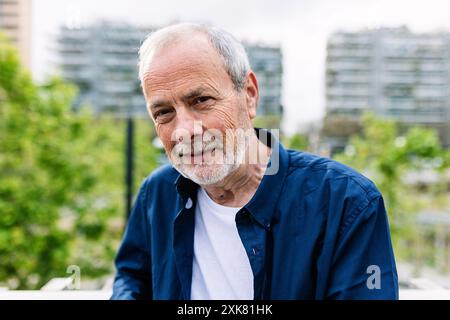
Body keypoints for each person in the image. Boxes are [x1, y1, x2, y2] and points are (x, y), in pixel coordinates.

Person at [111, 23, 398, 300]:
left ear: (249, 95)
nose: (184, 130)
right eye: (163, 112)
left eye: (201, 100)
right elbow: (133, 277)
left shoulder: (347, 202)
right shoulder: (157, 193)